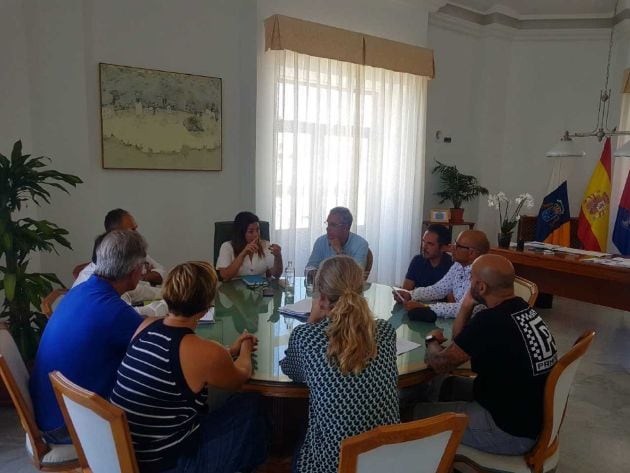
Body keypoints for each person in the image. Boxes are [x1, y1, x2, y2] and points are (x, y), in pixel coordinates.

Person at [110, 261, 267, 473]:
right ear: (206, 308)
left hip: (128, 454)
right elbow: (241, 376)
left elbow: (185, 364)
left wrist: (229, 351)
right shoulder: (204, 351)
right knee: (252, 403)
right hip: (169, 463)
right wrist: (246, 347)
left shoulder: (146, 325)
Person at [413, 254, 558, 455]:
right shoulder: (523, 309)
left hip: (507, 430)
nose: (468, 282)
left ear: (481, 287)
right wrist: (466, 304)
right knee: (445, 385)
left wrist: (431, 340)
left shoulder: (490, 322)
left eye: (471, 278)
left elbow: (440, 363)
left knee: (413, 413)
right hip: (526, 412)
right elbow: (461, 341)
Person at [280, 256, 399, 473]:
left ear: (322, 298)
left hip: (332, 466)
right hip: (385, 462)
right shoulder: (385, 331)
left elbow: (291, 370)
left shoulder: (307, 337)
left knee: (296, 434)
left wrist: (312, 320)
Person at [29, 230, 147, 443]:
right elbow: (161, 347)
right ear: (134, 270)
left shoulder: (81, 291)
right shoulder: (114, 311)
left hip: (49, 415)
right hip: (70, 427)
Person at [395, 230, 489, 319]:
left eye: (457, 246)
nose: (452, 248)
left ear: (471, 253)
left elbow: (463, 308)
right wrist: (411, 295)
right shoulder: (458, 266)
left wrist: (426, 307)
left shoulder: (482, 274)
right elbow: (438, 290)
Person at [73, 208, 166, 287]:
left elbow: (163, 274)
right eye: (132, 230)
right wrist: (141, 277)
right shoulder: (100, 276)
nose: (137, 234)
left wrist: (141, 277)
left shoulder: (133, 253)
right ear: (116, 235)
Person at [216, 211, 282, 281]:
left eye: (258, 230)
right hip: (234, 289)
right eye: (251, 231)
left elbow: (276, 274)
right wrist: (243, 254)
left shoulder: (265, 245)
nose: (256, 234)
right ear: (241, 233)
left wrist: (278, 256)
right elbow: (225, 276)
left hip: (260, 289)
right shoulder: (227, 247)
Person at [402, 224, 453, 290]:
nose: (424, 247)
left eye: (430, 244)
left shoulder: (452, 266)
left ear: (443, 248)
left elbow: (452, 299)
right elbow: (406, 291)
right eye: (423, 241)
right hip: (416, 299)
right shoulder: (417, 260)